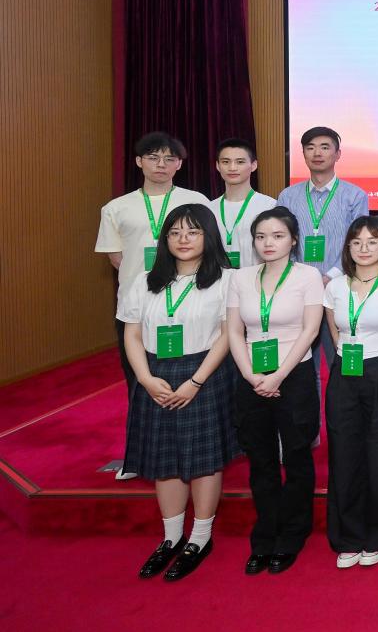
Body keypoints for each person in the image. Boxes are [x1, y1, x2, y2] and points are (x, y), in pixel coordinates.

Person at [120, 204, 234, 581]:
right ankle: (170, 538)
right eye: (175, 232)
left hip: (204, 373)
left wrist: (196, 381)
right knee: (164, 458)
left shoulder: (226, 280)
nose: (183, 239)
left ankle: (199, 538)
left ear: (208, 236)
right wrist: (145, 378)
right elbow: (132, 334)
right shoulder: (144, 281)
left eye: (193, 232)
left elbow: (227, 335)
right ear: (165, 239)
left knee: (203, 459)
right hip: (155, 374)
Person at [96, 131, 208, 480]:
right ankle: (139, 457)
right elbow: (117, 259)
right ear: (138, 161)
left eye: (169, 158)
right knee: (139, 383)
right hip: (138, 310)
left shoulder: (195, 200)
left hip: (190, 306)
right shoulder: (116, 208)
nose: (161, 164)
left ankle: (195, 453)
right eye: (153, 157)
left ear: (179, 164)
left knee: (192, 381)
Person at [226, 207, 324, 575]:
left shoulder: (307, 276)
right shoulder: (241, 277)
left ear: (293, 240)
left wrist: (279, 375)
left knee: (296, 456)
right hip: (251, 377)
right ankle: (265, 536)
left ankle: (293, 533)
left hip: (293, 375)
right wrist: (251, 376)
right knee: (261, 459)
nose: (269, 243)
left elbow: (310, 330)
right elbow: (234, 331)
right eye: (261, 236)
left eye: (278, 236)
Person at [322, 216, 378, 569]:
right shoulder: (335, 287)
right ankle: (349, 535)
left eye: (373, 241)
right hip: (346, 373)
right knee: (345, 454)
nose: (364, 248)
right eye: (357, 242)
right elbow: (336, 334)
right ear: (348, 247)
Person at [276, 126, 369, 376]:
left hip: (342, 286)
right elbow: (282, 240)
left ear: (338, 154)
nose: (317, 153)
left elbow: (359, 242)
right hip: (297, 289)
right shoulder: (287, 197)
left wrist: (331, 275)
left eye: (325, 147)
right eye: (310, 147)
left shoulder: (355, 196)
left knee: (341, 361)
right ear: (303, 153)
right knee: (301, 364)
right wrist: (299, 277)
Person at [212, 138, 276, 268]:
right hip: (217, 278)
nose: (232, 168)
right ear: (218, 166)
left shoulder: (270, 206)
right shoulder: (209, 208)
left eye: (240, 162)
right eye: (225, 162)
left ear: (253, 165)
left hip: (256, 278)